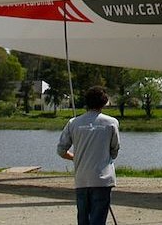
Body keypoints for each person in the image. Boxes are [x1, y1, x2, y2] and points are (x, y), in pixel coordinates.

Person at [58, 86, 121, 225]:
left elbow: (61, 150)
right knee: (98, 219)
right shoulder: (111, 123)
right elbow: (115, 150)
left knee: (83, 219)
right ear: (104, 103)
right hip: (102, 179)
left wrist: (76, 157)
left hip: (82, 179)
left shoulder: (73, 123)